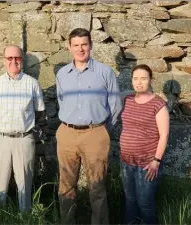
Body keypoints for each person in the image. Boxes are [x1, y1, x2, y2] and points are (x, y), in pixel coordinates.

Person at [55, 28, 122, 224]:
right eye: (76, 45)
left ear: (91, 45)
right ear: (69, 47)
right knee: (66, 185)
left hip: (96, 133)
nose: (80, 49)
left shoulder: (105, 72)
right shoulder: (62, 74)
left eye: (84, 44)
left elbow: (115, 106)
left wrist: (102, 131)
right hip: (67, 133)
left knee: (97, 186)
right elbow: (61, 101)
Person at [0, 45, 45, 212]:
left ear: (22, 60)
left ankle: (25, 217)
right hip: (1, 139)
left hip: (24, 139)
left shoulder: (32, 84)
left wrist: (22, 124)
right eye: (9, 58)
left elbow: (38, 111)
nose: (14, 61)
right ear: (4, 60)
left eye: (17, 58)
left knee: (24, 183)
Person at [119, 64, 169, 224]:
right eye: (135, 79)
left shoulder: (158, 104)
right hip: (126, 161)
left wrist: (156, 161)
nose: (139, 82)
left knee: (145, 203)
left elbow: (164, 135)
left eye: (143, 78)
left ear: (150, 80)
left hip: (147, 164)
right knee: (129, 201)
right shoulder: (127, 100)